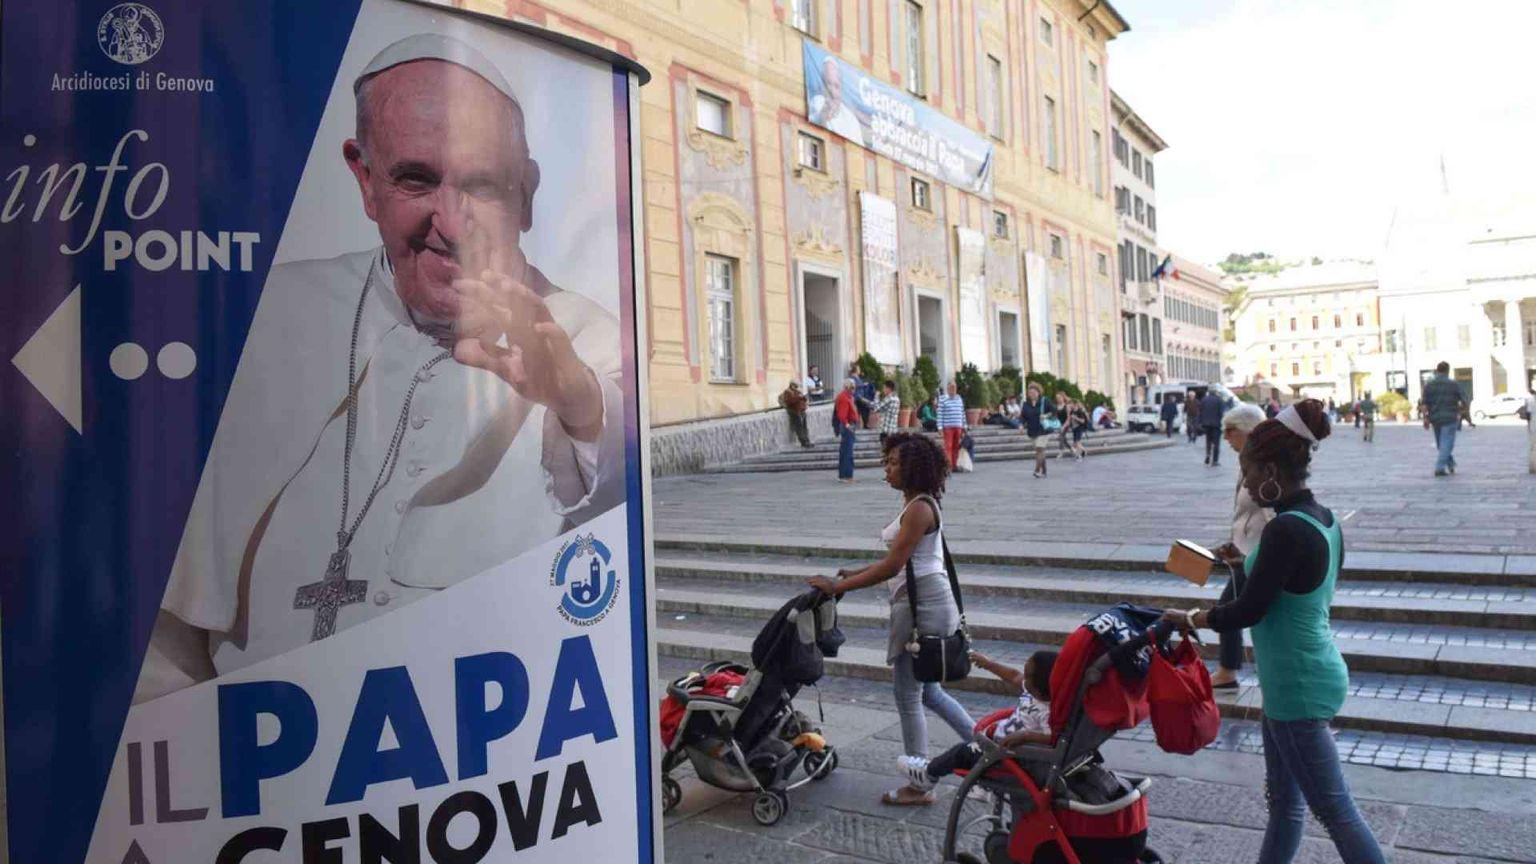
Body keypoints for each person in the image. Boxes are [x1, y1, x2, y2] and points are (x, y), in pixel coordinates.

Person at [137, 34, 625, 699]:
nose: (450, 225)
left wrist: (579, 405)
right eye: (416, 179)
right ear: (365, 179)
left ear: (528, 192)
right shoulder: (261, 315)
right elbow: (161, 642)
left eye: (482, 185)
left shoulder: (584, 333)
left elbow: (622, 489)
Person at [1166, 400, 1386, 864]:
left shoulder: (1285, 529)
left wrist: (1187, 619)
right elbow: (1289, 587)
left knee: (1335, 812)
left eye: (1246, 470)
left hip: (1298, 685)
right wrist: (1239, 562)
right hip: (1301, 674)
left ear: (1269, 469)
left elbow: (1248, 610)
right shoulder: (1323, 520)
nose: (1244, 482)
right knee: (1285, 807)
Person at [806, 433, 973, 805]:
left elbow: (894, 565)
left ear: (913, 467)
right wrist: (851, 575)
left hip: (922, 607)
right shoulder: (915, 504)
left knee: (908, 695)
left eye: (893, 463)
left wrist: (836, 587)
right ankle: (985, 747)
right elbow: (897, 562)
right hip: (922, 601)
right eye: (887, 462)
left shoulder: (918, 509)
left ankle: (919, 783)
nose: (887, 469)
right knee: (929, 692)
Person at [898, 650, 1057, 792]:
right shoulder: (1033, 691)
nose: (1023, 678)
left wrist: (1027, 736)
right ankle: (980, 787)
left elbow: (1053, 738)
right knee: (972, 745)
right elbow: (1013, 676)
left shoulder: (1046, 711)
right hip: (997, 743)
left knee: (961, 752)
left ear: (1040, 687)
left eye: (1027, 675)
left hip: (1007, 755)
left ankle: (928, 774)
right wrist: (988, 664)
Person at [1208, 403, 1271, 690]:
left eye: (1229, 431)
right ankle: (1230, 669)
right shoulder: (1249, 461)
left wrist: (1254, 552)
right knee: (1234, 608)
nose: (1225, 437)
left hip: (1259, 555)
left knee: (1228, 609)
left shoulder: (1264, 466)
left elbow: (1273, 516)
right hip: (1245, 552)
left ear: (1246, 431)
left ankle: (1228, 671)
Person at [1419, 361, 1465, 477]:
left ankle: (1450, 463)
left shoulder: (1429, 385)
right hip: (1450, 417)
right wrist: (1462, 412)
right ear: (1448, 370)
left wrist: (1425, 418)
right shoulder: (1453, 384)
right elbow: (1464, 400)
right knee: (1446, 444)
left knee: (1441, 444)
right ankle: (1440, 468)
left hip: (1435, 418)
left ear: (1437, 370)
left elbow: (1424, 404)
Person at [808, 55, 866, 146]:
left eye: (836, 86)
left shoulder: (851, 119)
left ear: (841, 88)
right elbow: (814, 125)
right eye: (828, 84)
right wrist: (824, 114)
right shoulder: (817, 102)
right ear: (822, 86)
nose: (832, 91)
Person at [1021, 383, 1052, 478]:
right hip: (1032, 430)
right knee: (1039, 451)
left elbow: (1054, 411)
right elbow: (1023, 417)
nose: (1032, 394)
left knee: (1039, 448)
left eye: (1034, 392)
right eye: (1030, 392)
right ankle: (1044, 471)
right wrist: (1021, 425)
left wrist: (1046, 415)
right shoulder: (1026, 404)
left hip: (1044, 429)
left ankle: (1037, 470)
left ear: (1038, 392)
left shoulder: (1044, 401)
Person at [833, 378, 860, 482]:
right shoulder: (844, 397)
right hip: (847, 426)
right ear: (847, 387)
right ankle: (846, 475)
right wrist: (848, 426)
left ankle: (844, 475)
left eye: (854, 387)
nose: (854, 389)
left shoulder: (849, 397)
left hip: (849, 425)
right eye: (852, 387)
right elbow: (842, 415)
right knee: (847, 452)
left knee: (846, 451)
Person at [937, 381, 967, 469]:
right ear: (947, 388)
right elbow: (940, 414)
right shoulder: (943, 399)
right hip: (948, 427)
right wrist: (939, 427)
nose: (953, 389)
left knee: (956, 446)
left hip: (958, 426)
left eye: (954, 388)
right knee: (948, 446)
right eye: (951, 387)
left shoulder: (959, 398)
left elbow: (962, 413)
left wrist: (964, 426)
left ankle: (955, 465)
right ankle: (948, 465)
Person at [779, 380, 813, 448]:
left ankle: (807, 440)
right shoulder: (787, 392)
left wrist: (804, 398)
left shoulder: (797, 392)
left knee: (804, 427)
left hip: (801, 411)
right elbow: (789, 402)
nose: (797, 387)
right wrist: (798, 398)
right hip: (794, 411)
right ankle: (803, 442)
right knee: (799, 427)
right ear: (791, 385)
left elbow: (803, 399)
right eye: (795, 386)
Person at [1199, 388, 1225, 467]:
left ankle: (1208, 455)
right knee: (1216, 443)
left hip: (1206, 424)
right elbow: (1221, 413)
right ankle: (1215, 460)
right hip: (1216, 424)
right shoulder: (1219, 400)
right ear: (1216, 392)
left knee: (1208, 441)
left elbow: (1200, 412)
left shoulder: (1204, 400)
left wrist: (1200, 422)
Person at [875, 378, 901, 448]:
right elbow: (884, 409)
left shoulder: (888, 398)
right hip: (893, 429)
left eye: (884, 388)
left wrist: (876, 396)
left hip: (885, 430)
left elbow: (876, 409)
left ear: (888, 388)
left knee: (885, 450)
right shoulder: (897, 399)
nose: (883, 390)